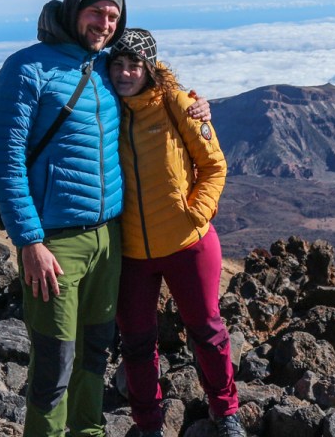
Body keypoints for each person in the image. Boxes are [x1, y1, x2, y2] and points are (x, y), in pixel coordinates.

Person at [0, 0, 207, 437]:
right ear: (74, 10)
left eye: (113, 16)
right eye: (96, 12)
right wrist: (29, 241)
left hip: (110, 238)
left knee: (95, 351)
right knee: (55, 360)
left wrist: (196, 105)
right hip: (54, 244)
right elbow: (5, 164)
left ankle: (88, 431)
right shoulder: (27, 69)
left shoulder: (107, 67)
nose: (104, 24)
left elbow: (150, 85)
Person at [108, 28, 244, 437]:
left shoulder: (178, 104)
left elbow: (214, 166)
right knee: (135, 342)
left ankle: (226, 412)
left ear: (149, 69)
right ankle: (149, 425)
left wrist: (196, 214)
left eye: (134, 65)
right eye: (118, 64)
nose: (125, 73)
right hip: (132, 251)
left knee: (207, 331)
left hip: (188, 243)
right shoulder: (104, 107)